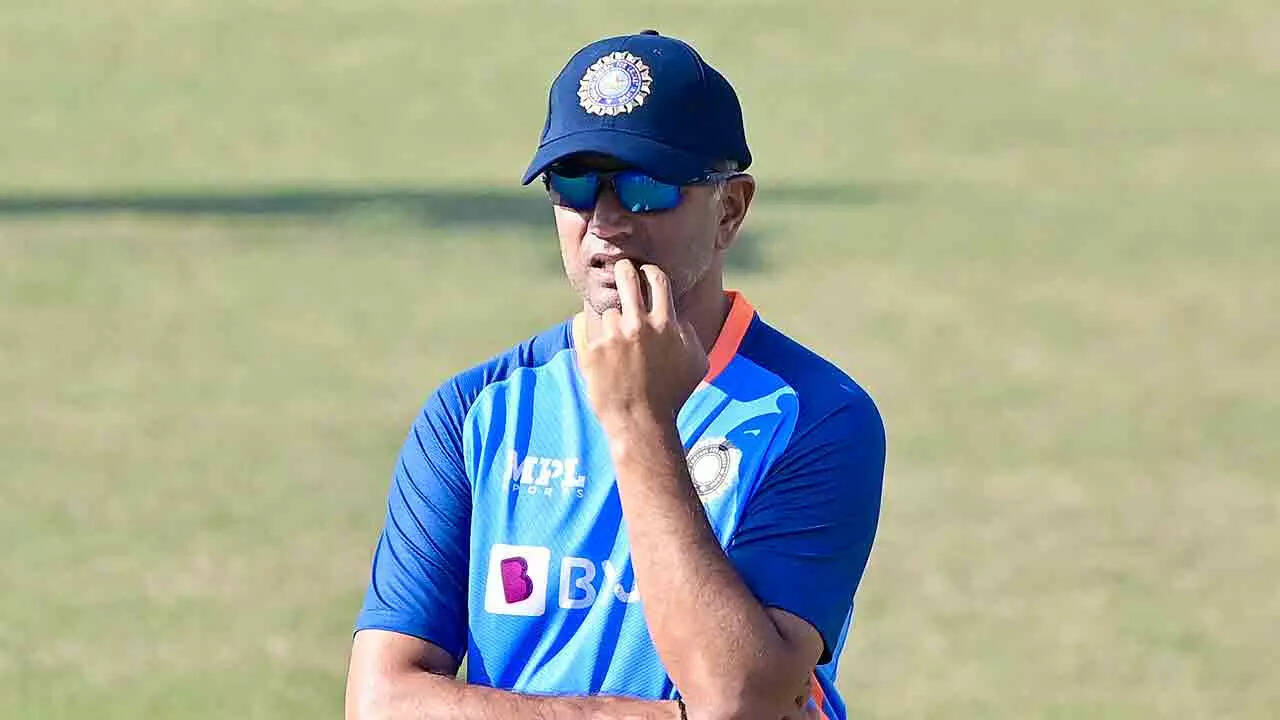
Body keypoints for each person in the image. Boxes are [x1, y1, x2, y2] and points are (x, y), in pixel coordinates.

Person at [345, 30, 885, 720]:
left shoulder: (816, 415)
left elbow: (739, 699)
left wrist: (639, 422)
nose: (604, 221)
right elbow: (382, 701)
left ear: (730, 209)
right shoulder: (473, 412)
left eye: (645, 186)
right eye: (573, 185)